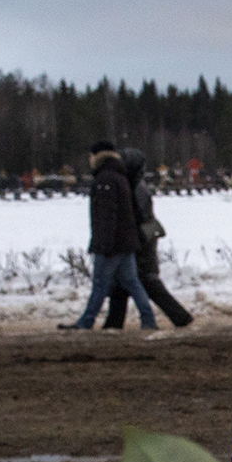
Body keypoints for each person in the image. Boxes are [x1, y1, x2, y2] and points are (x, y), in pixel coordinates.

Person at [60, 140, 158, 331]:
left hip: (112, 244)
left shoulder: (105, 179)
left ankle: (86, 322)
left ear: (97, 156)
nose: (89, 160)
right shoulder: (119, 175)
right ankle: (148, 320)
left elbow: (106, 216)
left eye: (90, 156)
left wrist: (103, 244)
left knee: (100, 285)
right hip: (126, 241)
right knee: (132, 283)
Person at [103, 147, 193, 329]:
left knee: (145, 281)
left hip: (140, 241)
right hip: (142, 239)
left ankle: (180, 317)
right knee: (126, 282)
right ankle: (114, 321)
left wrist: (131, 240)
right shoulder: (134, 186)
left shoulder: (135, 188)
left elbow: (138, 218)